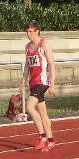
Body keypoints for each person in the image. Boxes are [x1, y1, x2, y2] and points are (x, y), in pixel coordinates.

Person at [20, 20, 56, 151]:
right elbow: (27, 65)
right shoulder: (27, 47)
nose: (28, 34)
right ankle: (51, 140)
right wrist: (23, 81)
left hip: (43, 81)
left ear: (37, 31)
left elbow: (51, 64)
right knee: (43, 113)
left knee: (29, 106)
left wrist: (52, 84)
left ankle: (42, 136)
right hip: (33, 82)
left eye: (30, 31)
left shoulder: (44, 44)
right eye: (26, 31)